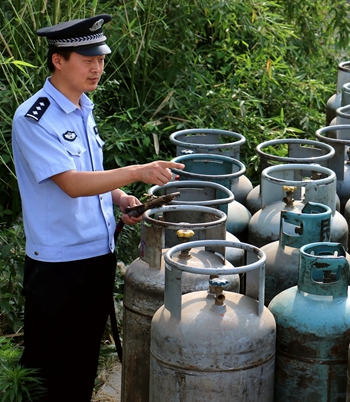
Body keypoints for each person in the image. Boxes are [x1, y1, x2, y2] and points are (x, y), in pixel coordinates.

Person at [11, 14, 184, 401]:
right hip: (58, 267)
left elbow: (91, 175)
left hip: (95, 258)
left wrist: (119, 198)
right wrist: (137, 172)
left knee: (82, 366)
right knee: (47, 373)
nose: (97, 67)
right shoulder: (34, 117)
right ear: (58, 60)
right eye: (87, 59)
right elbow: (71, 183)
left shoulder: (83, 108)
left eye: (101, 59)